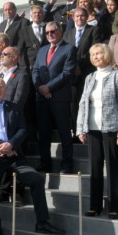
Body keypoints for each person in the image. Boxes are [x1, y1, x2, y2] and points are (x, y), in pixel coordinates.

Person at [0, 77, 65, 235]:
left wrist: (11, 144)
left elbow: (23, 130)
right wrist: (1, 146)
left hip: (13, 155)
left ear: (5, 90)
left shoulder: (14, 108)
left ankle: (42, 222)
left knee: (36, 180)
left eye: (1, 86)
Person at [76, 44, 118, 219]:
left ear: (106, 54)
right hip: (92, 129)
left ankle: (114, 206)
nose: (96, 56)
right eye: (93, 54)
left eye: (99, 53)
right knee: (95, 168)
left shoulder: (117, 76)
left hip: (111, 129)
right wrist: (80, 128)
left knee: (113, 169)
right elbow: (83, 103)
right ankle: (94, 205)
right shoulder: (90, 77)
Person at [32, 22, 76, 173]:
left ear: (60, 31)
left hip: (60, 98)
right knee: (43, 134)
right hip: (42, 99)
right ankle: (45, 164)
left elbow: (67, 73)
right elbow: (35, 71)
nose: (50, 34)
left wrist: (48, 87)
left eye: (53, 31)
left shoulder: (69, 48)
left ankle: (66, 165)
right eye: (47, 32)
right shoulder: (42, 50)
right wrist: (40, 88)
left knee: (64, 134)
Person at [21, 0, 48, 71]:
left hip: (47, 63)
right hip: (31, 66)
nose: (37, 14)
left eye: (39, 13)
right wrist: (24, 67)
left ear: (43, 15)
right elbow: (21, 50)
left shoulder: (49, 27)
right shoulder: (24, 30)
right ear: (31, 15)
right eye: (34, 13)